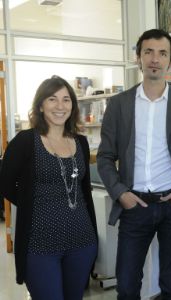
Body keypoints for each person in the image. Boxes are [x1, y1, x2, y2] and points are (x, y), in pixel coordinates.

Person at [97, 28, 171, 299]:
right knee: (128, 286)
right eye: (148, 52)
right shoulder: (118, 104)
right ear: (138, 58)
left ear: (170, 60)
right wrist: (121, 194)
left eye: (162, 53)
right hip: (134, 206)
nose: (155, 59)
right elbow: (105, 157)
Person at [0, 75, 98, 299]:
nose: (60, 106)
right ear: (41, 105)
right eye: (52, 99)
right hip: (40, 244)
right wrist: (33, 202)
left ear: (73, 106)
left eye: (66, 99)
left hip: (82, 242)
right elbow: (4, 183)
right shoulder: (25, 141)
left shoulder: (80, 142)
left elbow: (83, 192)